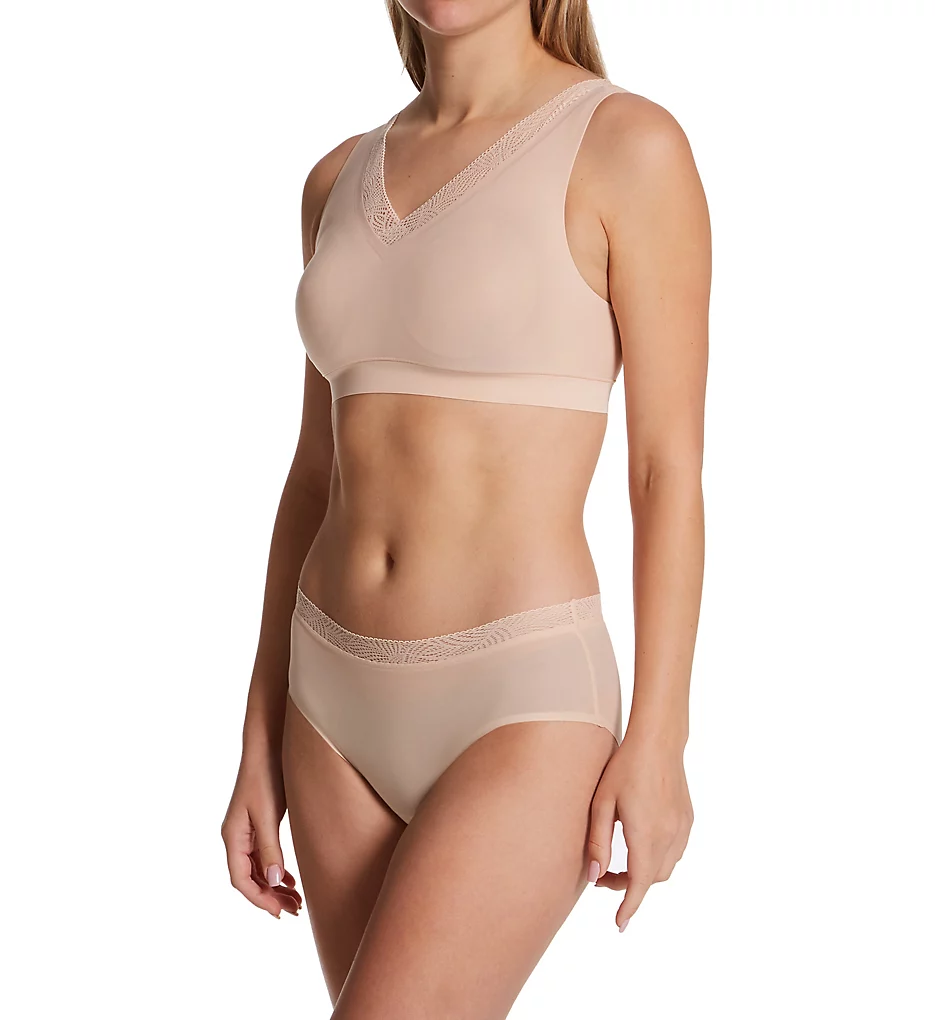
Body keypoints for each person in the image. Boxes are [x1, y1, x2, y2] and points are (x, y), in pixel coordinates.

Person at [222, 1, 710, 1015]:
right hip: (327, 706)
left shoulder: (625, 146)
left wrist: (660, 737)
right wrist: (257, 732)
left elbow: (664, 469)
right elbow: (314, 474)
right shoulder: (335, 179)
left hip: (518, 699)